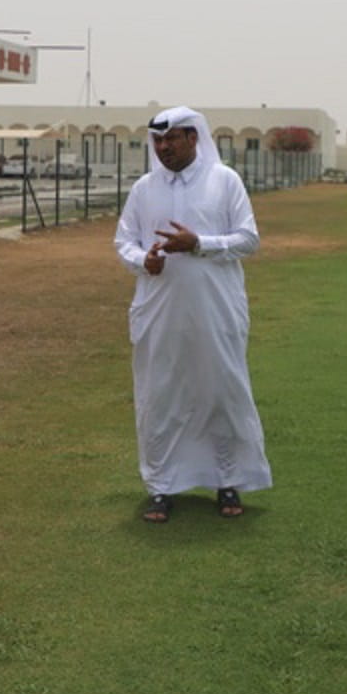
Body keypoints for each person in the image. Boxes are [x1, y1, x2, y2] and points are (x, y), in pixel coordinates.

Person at [113, 106, 272, 522]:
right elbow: (124, 241)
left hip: (215, 310)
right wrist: (141, 261)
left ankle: (227, 480)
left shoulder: (225, 182)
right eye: (157, 141)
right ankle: (161, 486)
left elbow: (248, 240)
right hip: (158, 310)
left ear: (193, 138)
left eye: (172, 139)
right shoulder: (144, 189)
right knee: (159, 395)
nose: (164, 148)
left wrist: (198, 243)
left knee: (219, 391)